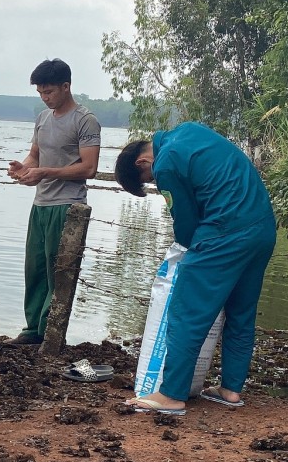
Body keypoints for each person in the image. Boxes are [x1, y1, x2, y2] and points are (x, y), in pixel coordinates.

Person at [113, 121, 276, 413]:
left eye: (148, 180)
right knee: (241, 312)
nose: (155, 182)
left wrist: (187, 255)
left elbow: (186, 223)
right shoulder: (190, 131)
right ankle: (230, 390)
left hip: (225, 232)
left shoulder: (166, 163)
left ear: (143, 161)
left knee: (186, 311)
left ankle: (172, 394)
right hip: (262, 228)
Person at [8, 59, 101, 345]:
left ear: (66, 86)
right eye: (40, 93)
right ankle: (32, 329)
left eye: (49, 92)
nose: (45, 97)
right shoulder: (43, 119)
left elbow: (88, 168)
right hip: (41, 204)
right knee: (34, 267)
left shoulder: (85, 120)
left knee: (56, 270)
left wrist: (46, 172)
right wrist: (23, 169)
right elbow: (34, 155)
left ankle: (50, 333)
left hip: (68, 205)